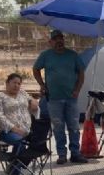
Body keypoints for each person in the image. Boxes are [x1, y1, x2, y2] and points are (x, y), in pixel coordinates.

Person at [33, 30, 88, 164]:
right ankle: (62, 155)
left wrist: (77, 90)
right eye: (56, 39)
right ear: (50, 42)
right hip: (53, 99)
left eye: (61, 39)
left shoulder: (73, 55)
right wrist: (42, 85)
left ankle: (75, 153)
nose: (59, 41)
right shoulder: (45, 55)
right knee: (58, 127)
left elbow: (81, 73)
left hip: (71, 97)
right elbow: (36, 69)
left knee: (74, 126)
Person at [0, 73, 39, 175]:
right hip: (9, 131)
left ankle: (14, 165)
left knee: (39, 142)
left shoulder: (22, 93)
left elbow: (32, 101)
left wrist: (33, 101)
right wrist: (15, 129)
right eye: (14, 83)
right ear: (7, 83)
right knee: (20, 142)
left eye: (19, 83)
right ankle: (14, 171)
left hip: (27, 130)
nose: (16, 85)